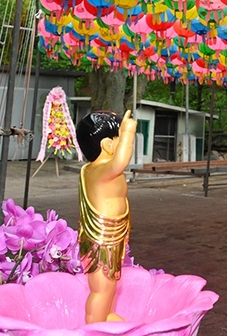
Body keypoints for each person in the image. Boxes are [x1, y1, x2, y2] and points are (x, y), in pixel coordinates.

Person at [75, 110, 137, 323]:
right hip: (101, 240)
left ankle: (106, 315)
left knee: (110, 284)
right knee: (102, 288)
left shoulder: (93, 170)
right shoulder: (101, 171)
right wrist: (128, 131)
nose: (125, 145)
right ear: (108, 145)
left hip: (112, 237)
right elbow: (121, 161)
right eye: (119, 140)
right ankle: (94, 326)